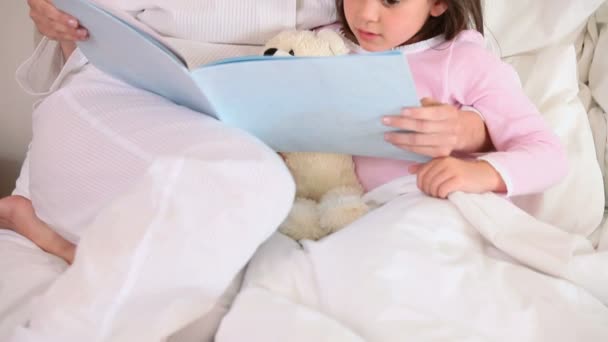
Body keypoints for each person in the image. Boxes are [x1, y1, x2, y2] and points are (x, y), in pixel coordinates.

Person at [0, 0, 493, 340]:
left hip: (242, 120)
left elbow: (475, 92)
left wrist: (467, 131)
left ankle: (60, 246)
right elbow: (75, 25)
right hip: (121, 95)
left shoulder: (400, 26)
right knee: (249, 184)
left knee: (225, 297)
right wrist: (53, 14)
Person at [333, 0, 567, 198]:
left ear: (438, 3)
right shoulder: (322, 43)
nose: (366, 14)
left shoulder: (463, 61)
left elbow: (550, 156)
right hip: (341, 211)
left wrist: (480, 173)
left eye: (392, 0)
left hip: (425, 212)